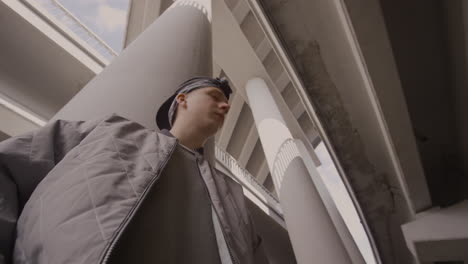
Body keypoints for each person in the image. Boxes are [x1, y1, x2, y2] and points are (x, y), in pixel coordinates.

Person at [0, 77, 269, 264]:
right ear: (182, 99)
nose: (226, 106)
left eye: (227, 103)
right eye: (214, 97)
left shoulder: (233, 194)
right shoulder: (109, 132)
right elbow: (7, 167)